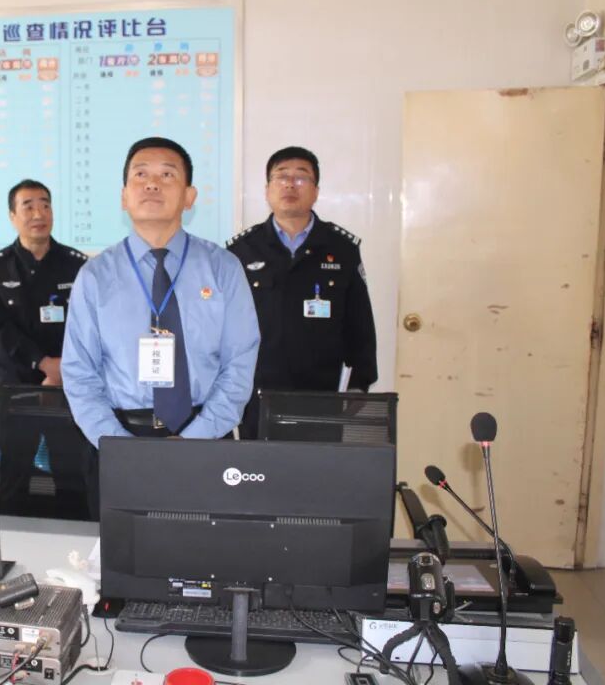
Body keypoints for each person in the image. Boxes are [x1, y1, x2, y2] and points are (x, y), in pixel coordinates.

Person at [63, 137, 259, 512]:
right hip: (118, 442)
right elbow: (79, 373)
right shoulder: (95, 275)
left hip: (206, 439)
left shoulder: (223, 268)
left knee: (203, 547)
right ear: (124, 197)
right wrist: (118, 445)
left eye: (167, 175)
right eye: (141, 175)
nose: (152, 184)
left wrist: (194, 439)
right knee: (122, 549)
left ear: (189, 197)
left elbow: (240, 363)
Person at [227, 146, 377, 438]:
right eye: (281, 177)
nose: (290, 185)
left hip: (321, 393)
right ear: (267, 190)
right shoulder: (242, 250)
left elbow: (360, 321)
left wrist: (360, 381)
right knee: (257, 465)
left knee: (317, 465)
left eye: (301, 177)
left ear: (316, 191)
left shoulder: (341, 249)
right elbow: (228, 326)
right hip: (258, 392)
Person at [0, 179, 88, 514]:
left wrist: (61, 369)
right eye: (28, 206)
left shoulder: (76, 265)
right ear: (13, 216)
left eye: (45, 205)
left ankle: (77, 542)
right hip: (16, 388)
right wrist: (42, 363)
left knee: (73, 474)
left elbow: (89, 325)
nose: (38, 214)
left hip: (67, 386)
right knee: (12, 476)